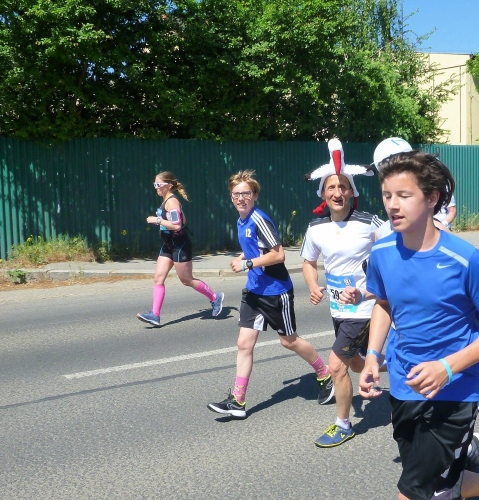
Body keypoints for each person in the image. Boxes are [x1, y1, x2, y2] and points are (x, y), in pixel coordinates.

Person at [358, 150, 479, 500]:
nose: (392, 205)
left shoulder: (464, 259)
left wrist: (447, 368)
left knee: (416, 491)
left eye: (404, 195)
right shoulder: (382, 253)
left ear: (432, 198)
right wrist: (373, 354)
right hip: (404, 383)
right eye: (387, 195)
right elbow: (383, 304)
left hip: (455, 389)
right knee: (438, 487)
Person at [207, 170, 334, 419]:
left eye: (246, 193)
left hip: (275, 291)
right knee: (244, 344)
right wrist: (243, 256)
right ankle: (238, 401)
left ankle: (325, 374)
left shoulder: (259, 219)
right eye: (236, 194)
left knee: (289, 341)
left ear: (254, 195)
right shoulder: (242, 220)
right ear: (231, 197)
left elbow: (278, 254)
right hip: (254, 291)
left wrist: (247, 264)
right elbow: (256, 247)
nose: (241, 198)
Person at [301, 138, 384, 447]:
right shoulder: (316, 227)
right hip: (338, 308)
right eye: (331, 187)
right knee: (356, 364)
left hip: (363, 309)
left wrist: (373, 288)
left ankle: (343, 424)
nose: (337, 192)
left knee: (336, 366)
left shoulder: (369, 223)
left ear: (352, 192)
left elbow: (395, 249)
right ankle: (394, 364)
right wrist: (313, 286)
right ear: (323, 193)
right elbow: (308, 262)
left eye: (343, 187)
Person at [137, 171, 224, 327]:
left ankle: (215, 297)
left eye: (158, 184)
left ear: (169, 185)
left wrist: (157, 220)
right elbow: (182, 220)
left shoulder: (171, 202)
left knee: (186, 280)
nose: (156, 187)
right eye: (154, 184)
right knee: (158, 278)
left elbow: (177, 225)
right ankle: (155, 315)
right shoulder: (167, 201)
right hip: (168, 244)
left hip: (180, 245)